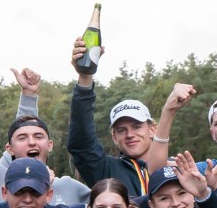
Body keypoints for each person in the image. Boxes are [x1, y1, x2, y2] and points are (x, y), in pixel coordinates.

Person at [0, 53, 89, 205]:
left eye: (38, 136)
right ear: (9, 148)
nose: (31, 142)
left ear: (50, 145)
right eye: (22, 138)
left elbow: (110, 206)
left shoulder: (69, 188)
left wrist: (29, 95)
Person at [66, 38, 162, 198]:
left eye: (137, 126)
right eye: (121, 130)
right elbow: (82, 144)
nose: (130, 134)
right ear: (114, 137)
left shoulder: (175, 167)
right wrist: (85, 76)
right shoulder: (106, 170)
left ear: (152, 129)